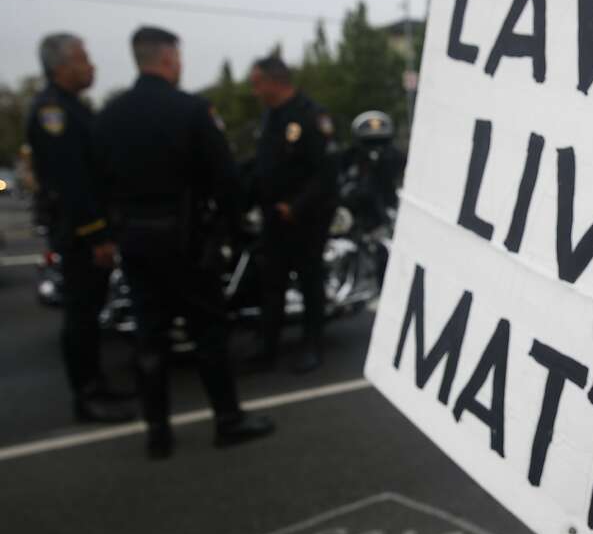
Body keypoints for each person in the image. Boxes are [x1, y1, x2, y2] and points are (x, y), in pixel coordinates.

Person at [94, 26, 274, 459]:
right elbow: (226, 178)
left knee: (149, 339)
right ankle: (227, 420)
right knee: (210, 335)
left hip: (136, 243)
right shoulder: (192, 110)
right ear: (169, 58)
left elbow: (98, 181)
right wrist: (235, 230)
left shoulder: (109, 115)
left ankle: (158, 432)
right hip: (188, 243)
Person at [26, 33, 134, 423]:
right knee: (81, 316)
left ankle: (97, 385)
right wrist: (96, 234)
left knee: (90, 314)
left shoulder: (72, 107)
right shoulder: (53, 112)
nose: (92, 66)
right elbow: (73, 181)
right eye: (84, 59)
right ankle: (87, 397)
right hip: (79, 233)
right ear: (61, 67)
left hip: (86, 228)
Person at [246, 55, 338, 374]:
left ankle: (312, 345)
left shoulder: (311, 116)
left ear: (274, 82)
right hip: (273, 215)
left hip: (305, 217)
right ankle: (266, 346)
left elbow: (325, 172)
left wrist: (296, 206)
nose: (254, 91)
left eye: (257, 84)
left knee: (310, 281)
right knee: (271, 283)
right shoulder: (270, 118)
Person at [341, 110, 405, 233]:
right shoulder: (350, 158)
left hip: (393, 217)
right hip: (356, 222)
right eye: (369, 143)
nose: (375, 149)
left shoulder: (396, 158)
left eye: (380, 143)